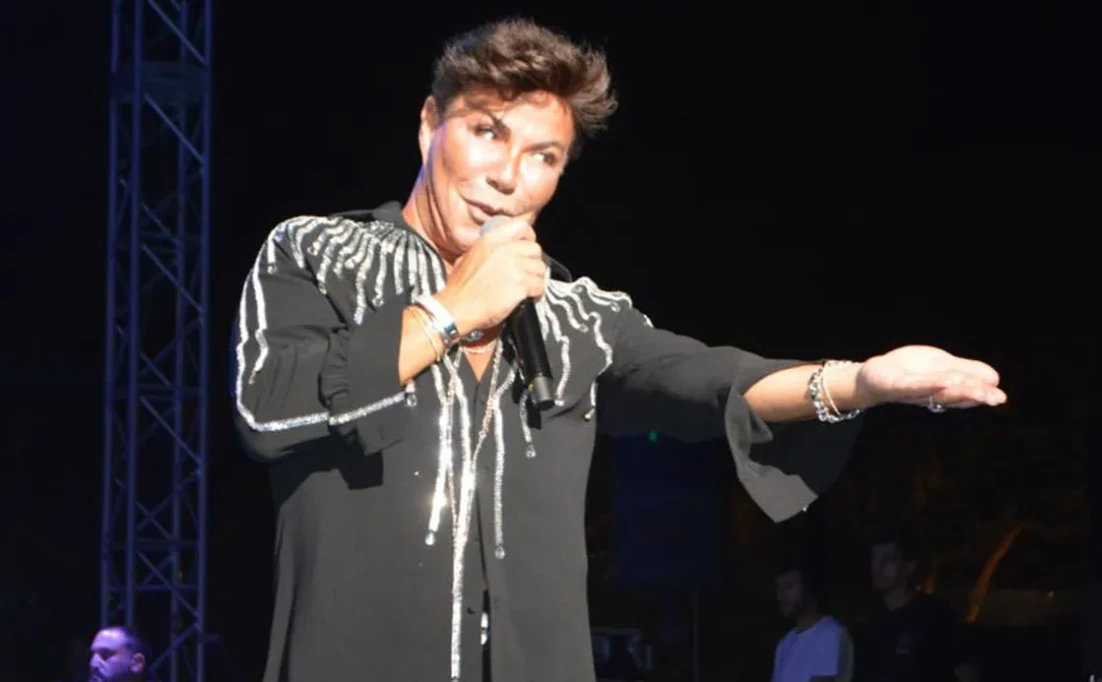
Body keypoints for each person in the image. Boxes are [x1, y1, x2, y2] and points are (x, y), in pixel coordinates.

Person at [231, 17, 1007, 682]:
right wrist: (450, 310)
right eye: (487, 132)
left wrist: (860, 382)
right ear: (431, 125)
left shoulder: (572, 315)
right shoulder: (316, 255)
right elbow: (268, 408)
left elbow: (703, 380)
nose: (508, 176)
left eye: (544, 156)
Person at [860, 535, 979, 682]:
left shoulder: (936, 615)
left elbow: (967, 673)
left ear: (909, 567)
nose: (877, 568)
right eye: (874, 559)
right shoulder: (873, 622)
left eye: (887, 560)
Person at [772, 563, 855, 682]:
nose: (781, 596)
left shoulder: (829, 634)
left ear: (808, 587)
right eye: (778, 588)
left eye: (789, 586)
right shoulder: (786, 642)